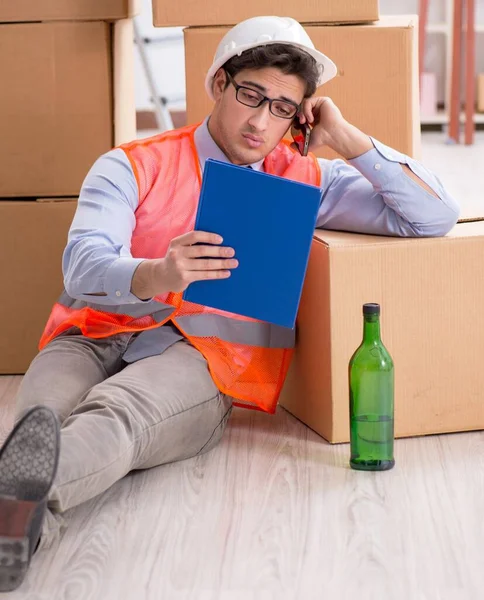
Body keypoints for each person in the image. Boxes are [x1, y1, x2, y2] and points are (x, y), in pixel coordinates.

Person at [0, 15, 459, 592]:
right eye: (251, 96)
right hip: (91, 336)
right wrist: (157, 271)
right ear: (219, 83)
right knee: (40, 420)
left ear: (301, 115)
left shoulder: (304, 179)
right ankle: (21, 522)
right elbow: (83, 264)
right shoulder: (131, 164)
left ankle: (12, 515)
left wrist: (348, 138)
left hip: (202, 363)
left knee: (118, 416)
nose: (262, 121)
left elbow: (434, 215)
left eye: (283, 108)